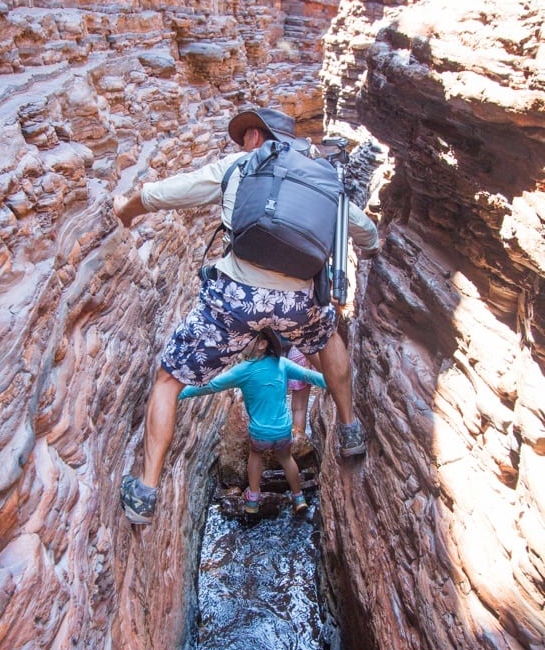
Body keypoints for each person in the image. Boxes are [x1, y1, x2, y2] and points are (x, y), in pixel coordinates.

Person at [113, 106, 379, 524]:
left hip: (235, 298)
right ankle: (348, 429)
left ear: (256, 136)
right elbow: (365, 232)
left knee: (168, 380)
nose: (240, 144)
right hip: (298, 300)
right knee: (329, 342)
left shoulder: (241, 165)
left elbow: (167, 192)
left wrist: (127, 210)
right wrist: (375, 249)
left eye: (244, 137)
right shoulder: (320, 180)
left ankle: (145, 491)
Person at [178, 328, 327, 515]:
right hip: (282, 431)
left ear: (262, 345)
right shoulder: (282, 364)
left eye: (248, 339)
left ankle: (253, 499)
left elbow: (212, 385)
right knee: (286, 459)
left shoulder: (242, 371)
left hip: (260, 433)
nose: (242, 341)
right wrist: (332, 383)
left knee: (255, 456)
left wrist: (180, 393)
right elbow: (308, 375)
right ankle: (298, 497)